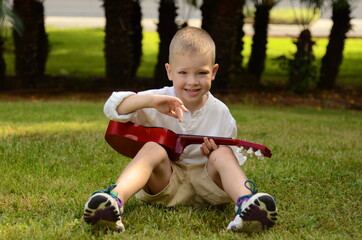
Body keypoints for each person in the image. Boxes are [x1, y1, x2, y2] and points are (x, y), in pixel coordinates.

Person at [83, 26, 277, 233]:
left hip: (208, 189)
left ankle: (246, 204)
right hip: (166, 184)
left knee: (222, 152)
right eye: (183, 72)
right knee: (153, 148)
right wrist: (150, 101)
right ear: (169, 71)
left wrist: (212, 155)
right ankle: (113, 201)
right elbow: (112, 109)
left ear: (213, 72)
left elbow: (230, 167)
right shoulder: (156, 99)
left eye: (201, 73)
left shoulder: (221, 113)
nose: (192, 81)